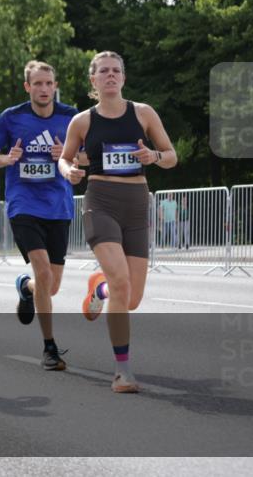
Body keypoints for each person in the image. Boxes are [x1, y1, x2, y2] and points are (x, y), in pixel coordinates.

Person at [59, 51, 177, 393]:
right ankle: (122, 371)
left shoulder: (143, 113)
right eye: (103, 72)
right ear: (93, 80)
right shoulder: (82, 121)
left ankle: (100, 289)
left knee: (131, 297)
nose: (110, 76)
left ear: (123, 78)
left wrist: (153, 156)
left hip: (137, 205)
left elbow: (171, 156)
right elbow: (64, 159)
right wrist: (70, 172)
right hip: (101, 202)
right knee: (122, 281)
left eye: (116, 71)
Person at [0, 60, 78, 371]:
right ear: (28, 87)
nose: (44, 89)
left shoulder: (71, 117)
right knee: (44, 273)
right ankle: (49, 348)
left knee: (51, 285)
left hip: (59, 207)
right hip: (23, 205)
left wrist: (68, 155)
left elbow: (88, 156)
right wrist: (7, 159)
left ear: (55, 85)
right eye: (37, 83)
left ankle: (26, 288)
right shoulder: (11, 118)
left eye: (49, 83)